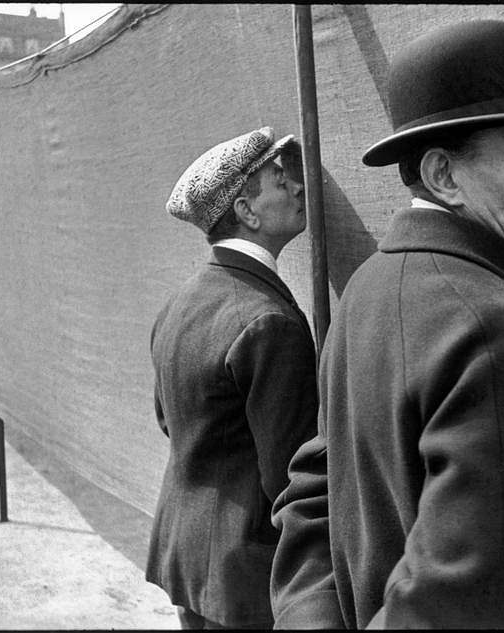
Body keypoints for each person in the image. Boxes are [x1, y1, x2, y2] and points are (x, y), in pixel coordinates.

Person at [270, 20, 504, 629]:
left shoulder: (365, 289)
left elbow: (315, 491)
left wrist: (309, 619)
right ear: (443, 175)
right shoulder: (493, 328)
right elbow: (449, 600)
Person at [147, 126, 317, 629]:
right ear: (247, 210)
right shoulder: (267, 319)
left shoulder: (181, 301)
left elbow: (168, 420)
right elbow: (289, 471)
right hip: (247, 577)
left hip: (187, 554)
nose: (299, 188)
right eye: (280, 180)